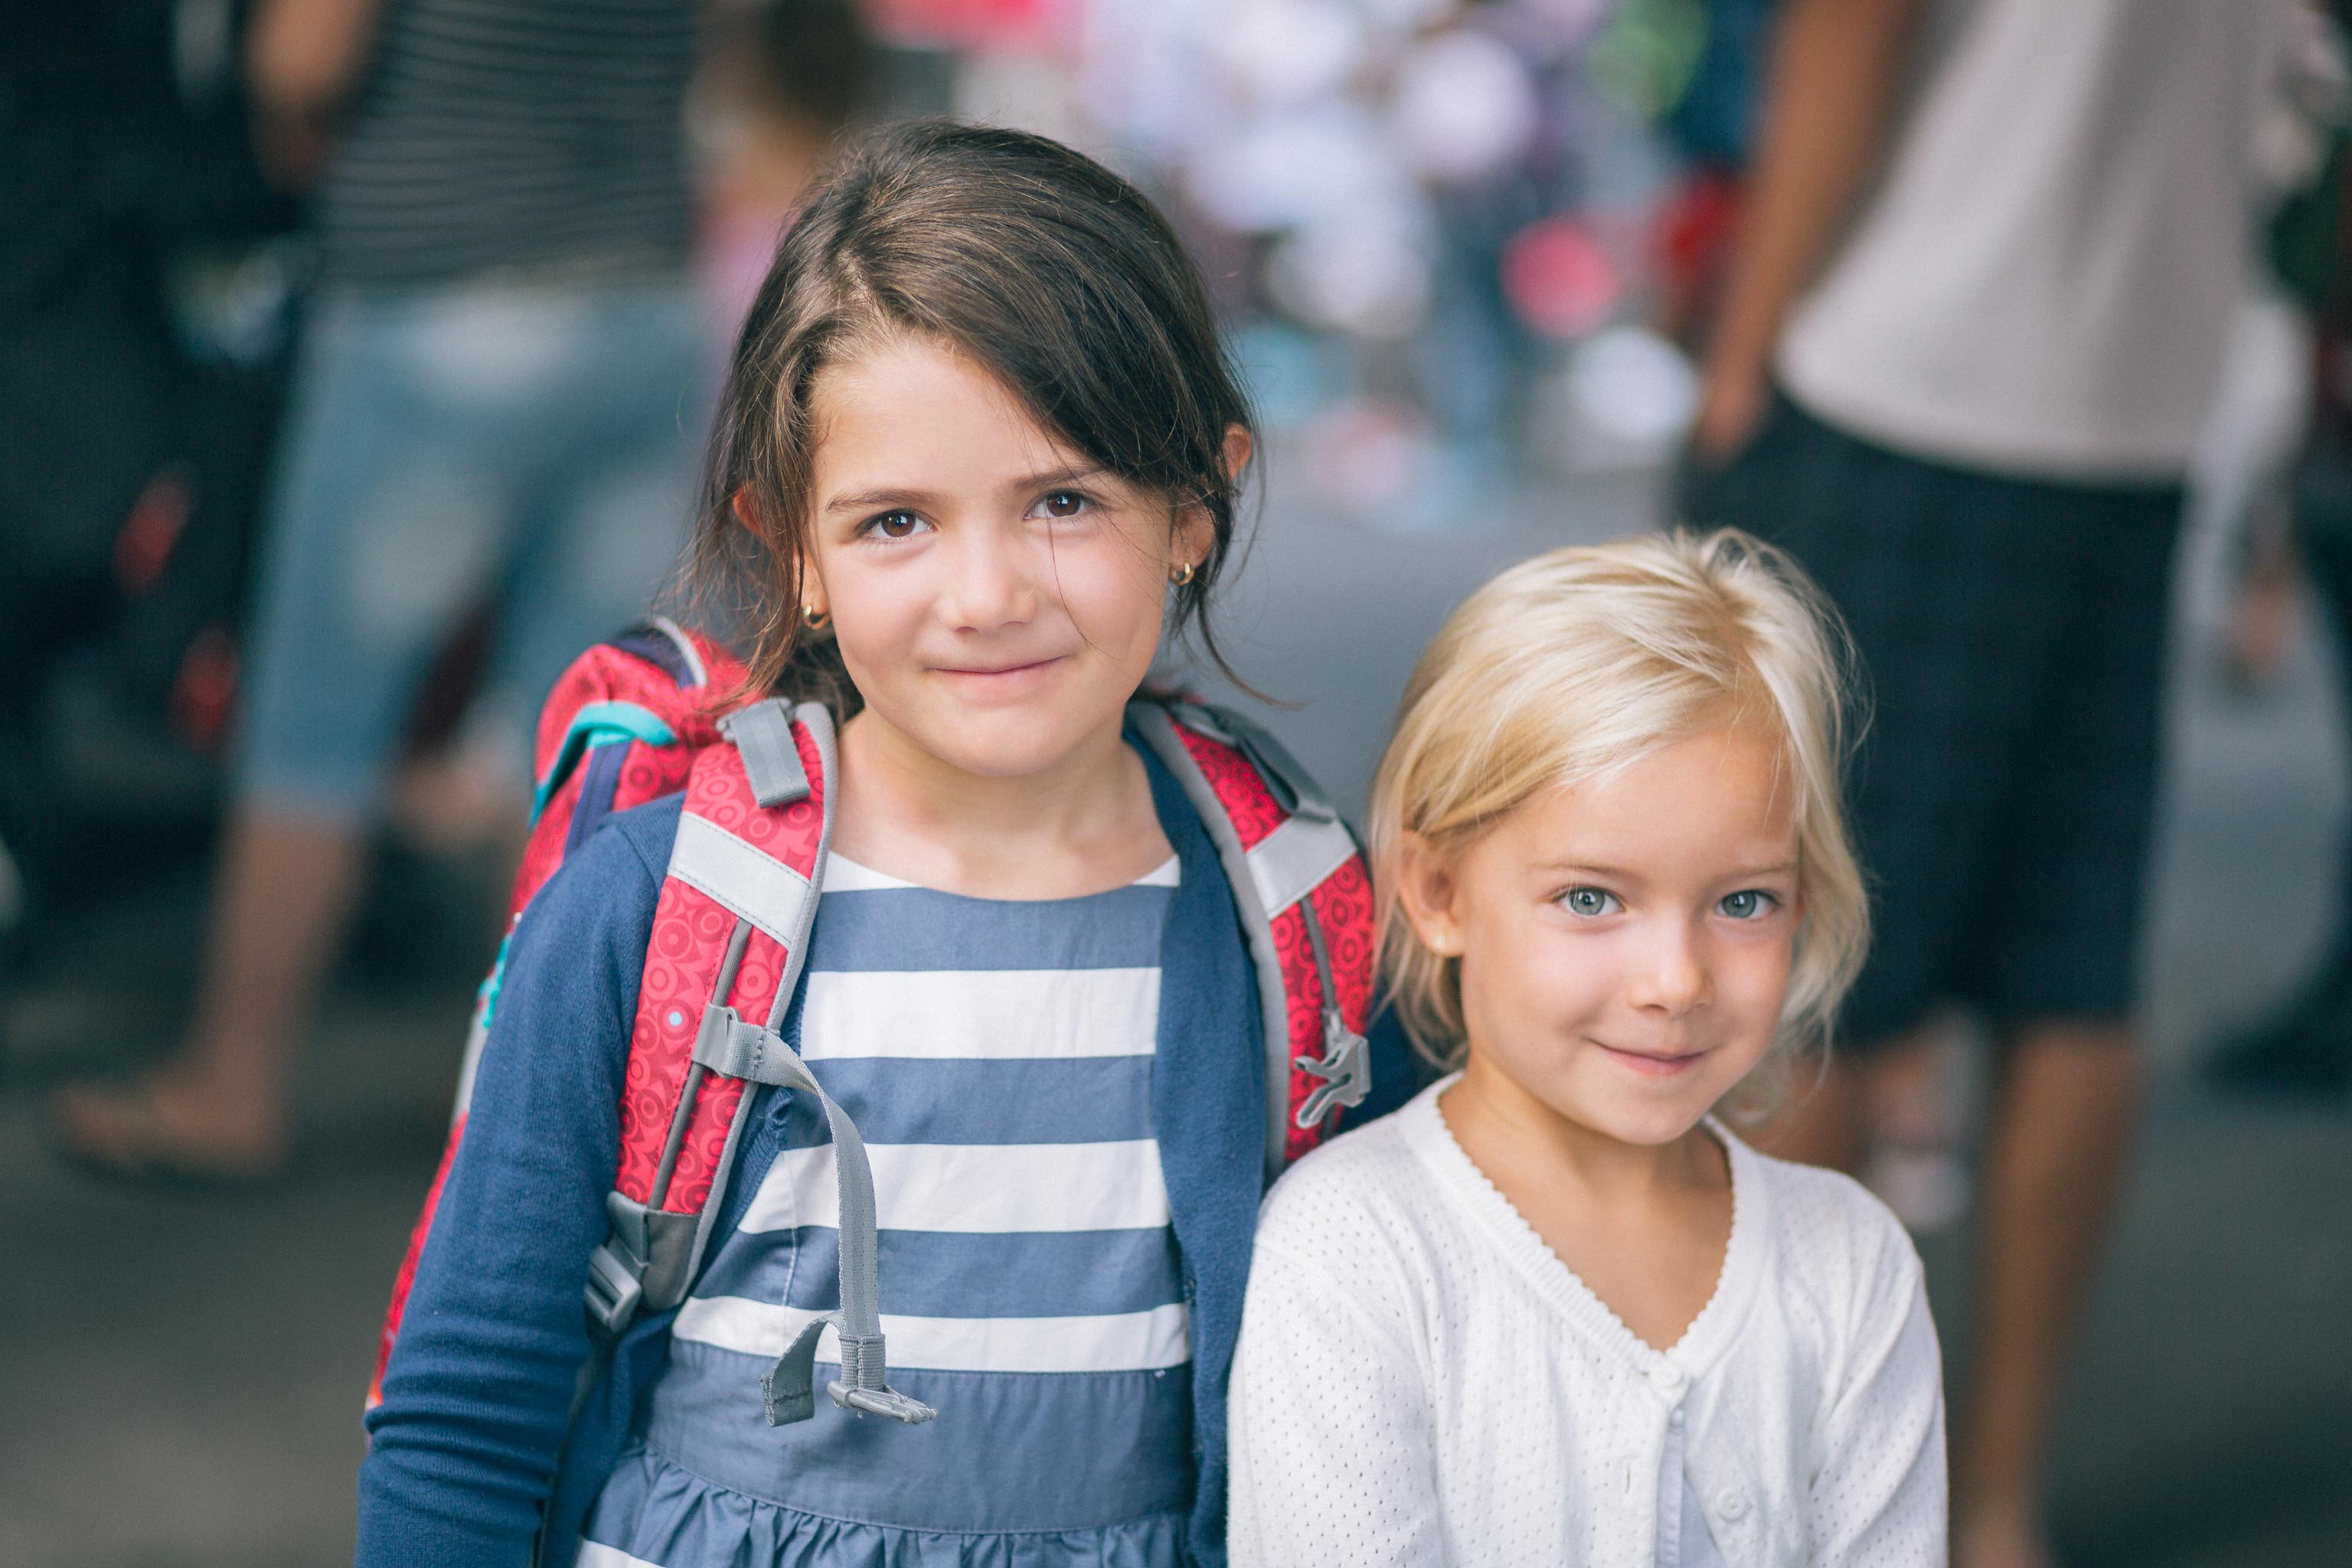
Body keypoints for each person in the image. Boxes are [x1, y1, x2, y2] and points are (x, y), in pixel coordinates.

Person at [355, 122, 1416, 1568]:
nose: (983, 595)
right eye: (896, 521)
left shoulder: (1295, 916)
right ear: (790, 541)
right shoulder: (654, 909)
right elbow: (464, 1409)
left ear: (1195, 504)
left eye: (1062, 501)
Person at [1680, 2, 2295, 1563]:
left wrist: (1744, 351)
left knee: (1804, 977)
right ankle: (1991, 1506)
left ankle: (1790, 1513)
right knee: (2069, 969)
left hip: (1904, 376)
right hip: (2144, 400)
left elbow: (1851, 26)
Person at [50, 0, 707, 1178]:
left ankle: (229, 1084)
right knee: (579, 738)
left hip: (444, 297)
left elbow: (306, 55)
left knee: (317, 722)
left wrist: (282, 122)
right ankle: (531, 1089)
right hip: (646, 292)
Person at [1227, 531, 1942, 1567]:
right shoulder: (1353, 1255)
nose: (1676, 981)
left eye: (1743, 902)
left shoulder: (1853, 1268)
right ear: (1437, 893)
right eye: (1591, 899)